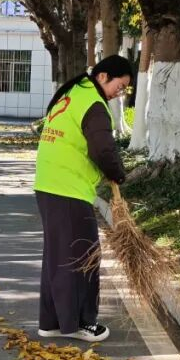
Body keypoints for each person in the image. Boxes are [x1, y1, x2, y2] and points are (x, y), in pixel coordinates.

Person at [34, 55, 133, 343]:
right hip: (68, 188)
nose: (120, 92)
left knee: (57, 256)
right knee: (82, 258)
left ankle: (52, 322)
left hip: (49, 184)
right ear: (103, 76)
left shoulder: (75, 93)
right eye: (120, 85)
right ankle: (78, 323)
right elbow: (102, 149)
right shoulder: (94, 104)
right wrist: (118, 173)